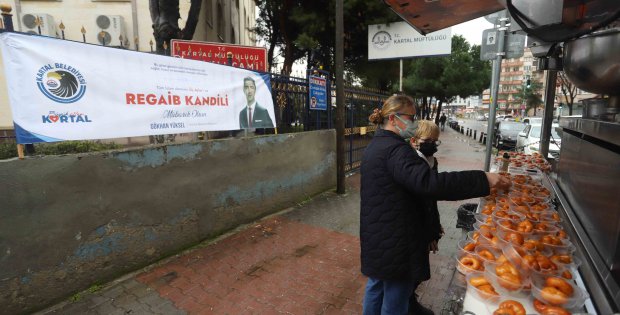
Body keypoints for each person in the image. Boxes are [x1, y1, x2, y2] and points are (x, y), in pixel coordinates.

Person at [360, 94, 510, 315]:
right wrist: (483, 179)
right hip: (396, 239)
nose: (414, 123)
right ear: (393, 118)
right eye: (411, 117)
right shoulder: (396, 151)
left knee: (377, 286)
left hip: (379, 234)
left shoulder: (377, 145)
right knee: (395, 298)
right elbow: (430, 184)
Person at [407, 120, 443, 315]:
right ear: (414, 141)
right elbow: (419, 202)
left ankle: (410, 301)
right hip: (413, 226)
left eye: (435, 141)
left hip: (426, 222)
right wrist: (430, 231)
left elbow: (432, 198)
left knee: (420, 266)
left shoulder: (432, 161)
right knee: (414, 269)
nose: (432, 144)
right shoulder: (411, 163)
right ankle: (407, 304)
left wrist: (436, 225)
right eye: (428, 140)